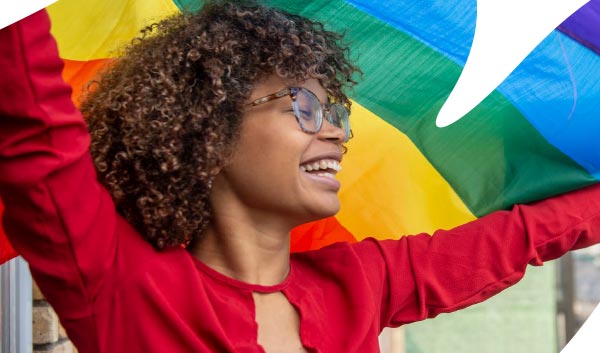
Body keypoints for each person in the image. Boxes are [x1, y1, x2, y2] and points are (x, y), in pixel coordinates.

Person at [1, 1, 599, 352]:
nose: (337, 134)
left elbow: (527, 235)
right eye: (305, 110)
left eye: (335, 114)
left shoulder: (361, 284)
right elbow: (35, 130)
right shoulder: (122, 281)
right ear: (209, 126)